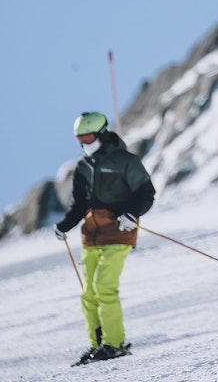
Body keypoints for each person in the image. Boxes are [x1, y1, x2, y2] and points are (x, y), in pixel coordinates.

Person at [54, 111, 156, 366]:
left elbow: (146, 193)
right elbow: (79, 205)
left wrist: (132, 214)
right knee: (88, 294)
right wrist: (64, 226)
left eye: (88, 137)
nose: (84, 144)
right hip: (92, 235)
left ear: (101, 134)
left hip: (119, 231)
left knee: (104, 287)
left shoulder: (125, 160)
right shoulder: (83, 166)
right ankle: (97, 345)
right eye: (79, 139)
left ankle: (115, 343)